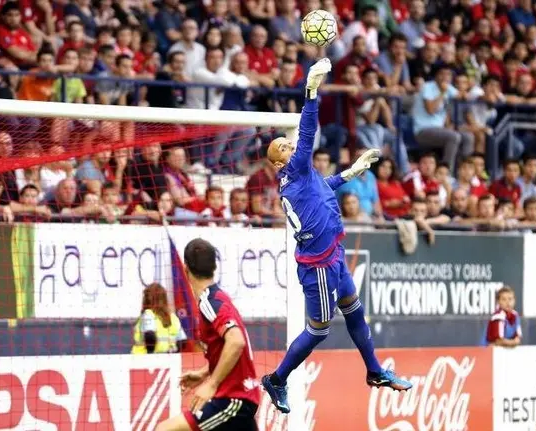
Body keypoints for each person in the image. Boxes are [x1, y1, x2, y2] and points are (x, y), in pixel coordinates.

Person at [261, 58, 412, 415]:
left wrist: (352, 171)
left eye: (288, 143)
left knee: (355, 311)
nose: (290, 146)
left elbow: (324, 186)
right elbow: (309, 131)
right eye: (284, 146)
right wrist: (311, 93)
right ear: (280, 163)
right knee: (319, 330)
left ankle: (374, 370)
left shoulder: (300, 177)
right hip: (317, 266)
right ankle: (277, 379)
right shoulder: (294, 170)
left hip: (333, 255)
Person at [156, 238, 259, 431]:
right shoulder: (220, 298)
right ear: (214, 267)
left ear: (185, 269)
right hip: (242, 398)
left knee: (164, 429)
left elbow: (236, 342)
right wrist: (204, 373)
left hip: (233, 399)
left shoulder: (209, 302)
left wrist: (211, 383)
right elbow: (227, 346)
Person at [132, 283, 186, 354]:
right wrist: (173, 353)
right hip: (169, 359)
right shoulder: (173, 317)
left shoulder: (148, 314)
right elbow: (182, 341)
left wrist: (150, 353)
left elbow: (149, 335)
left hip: (144, 359)